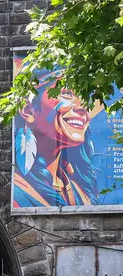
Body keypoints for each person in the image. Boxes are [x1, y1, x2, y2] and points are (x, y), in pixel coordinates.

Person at [13, 57, 105, 208]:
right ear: (28, 110)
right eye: (67, 93)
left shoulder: (79, 191)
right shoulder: (17, 191)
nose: (83, 108)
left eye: (85, 98)